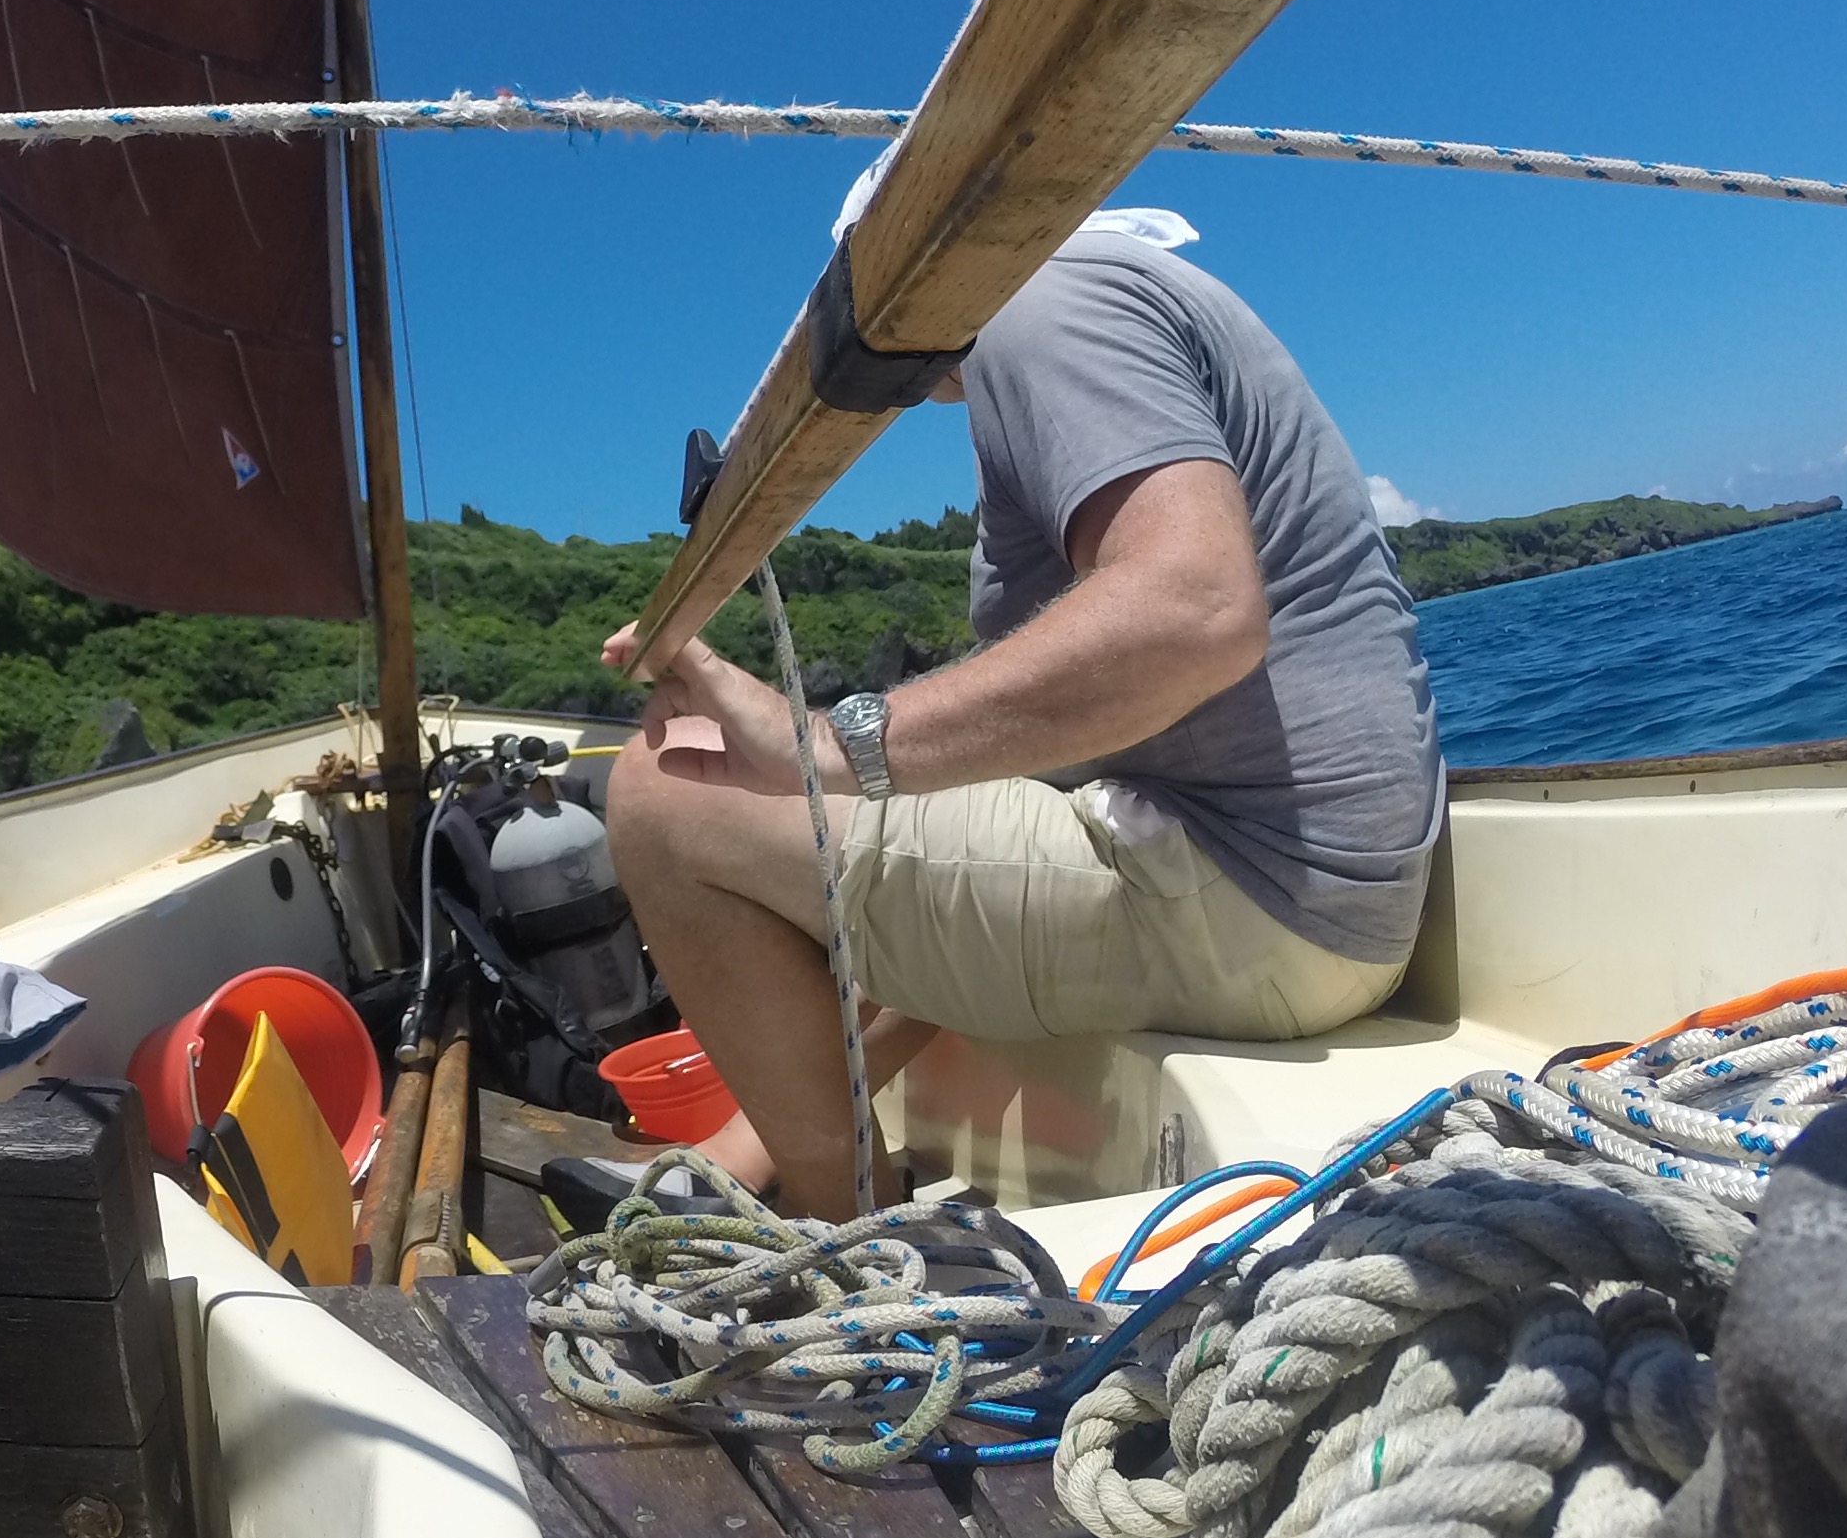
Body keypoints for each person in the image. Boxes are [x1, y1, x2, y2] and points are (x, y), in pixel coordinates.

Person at [600, 220, 1442, 1220]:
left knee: (664, 784)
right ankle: (749, 1152)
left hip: (1262, 905)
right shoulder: (1106, 303)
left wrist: (822, 746)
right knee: (937, 795)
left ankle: (835, 1226)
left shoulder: (1038, 301)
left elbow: (1193, 611)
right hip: (1327, 890)